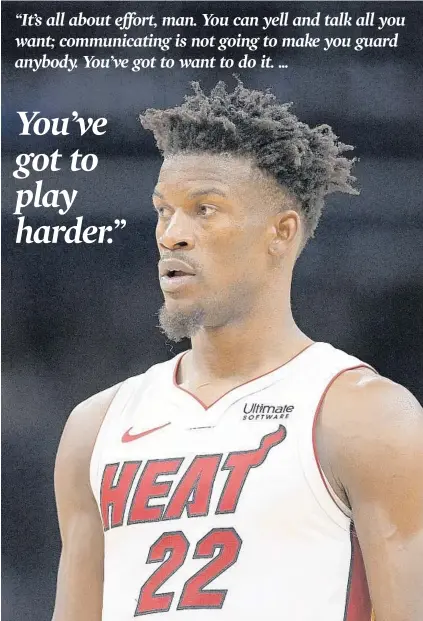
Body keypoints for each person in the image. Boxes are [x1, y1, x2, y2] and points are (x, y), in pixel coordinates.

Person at [52, 81, 423, 621]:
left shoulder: (364, 416)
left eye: (205, 209)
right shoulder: (95, 426)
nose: (172, 234)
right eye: (163, 211)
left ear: (282, 232)